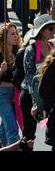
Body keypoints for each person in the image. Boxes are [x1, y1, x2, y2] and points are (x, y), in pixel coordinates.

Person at [21, 14, 55, 142]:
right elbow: (30, 77)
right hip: (31, 96)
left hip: (44, 96)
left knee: (46, 127)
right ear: (41, 31)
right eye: (50, 28)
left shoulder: (52, 47)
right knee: (29, 135)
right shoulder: (31, 49)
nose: (54, 30)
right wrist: (36, 103)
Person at [0, 23, 21, 146]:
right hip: (2, 95)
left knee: (4, 129)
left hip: (15, 94)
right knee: (12, 128)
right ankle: (15, 148)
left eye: (16, 33)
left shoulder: (18, 52)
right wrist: (1, 70)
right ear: (4, 37)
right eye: (12, 34)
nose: (16, 36)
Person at [37, 48, 55, 150]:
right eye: (50, 30)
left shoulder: (49, 43)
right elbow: (43, 89)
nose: (52, 31)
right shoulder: (38, 44)